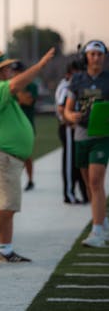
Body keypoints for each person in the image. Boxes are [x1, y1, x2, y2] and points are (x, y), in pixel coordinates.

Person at [0, 48, 55, 266]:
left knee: (4, 206)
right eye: (7, 67)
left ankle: (6, 250)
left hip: (1, 156)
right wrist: (39, 66)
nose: (11, 70)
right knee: (7, 204)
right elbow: (16, 85)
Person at [64, 40, 109, 248]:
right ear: (86, 57)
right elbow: (67, 109)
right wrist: (71, 115)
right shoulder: (77, 80)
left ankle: (97, 230)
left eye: (99, 55)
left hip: (102, 135)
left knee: (96, 180)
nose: (96, 58)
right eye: (92, 54)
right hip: (81, 135)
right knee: (89, 183)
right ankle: (102, 219)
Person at [55, 60, 87, 203]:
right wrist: (70, 121)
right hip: (68, 127)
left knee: (77, 162)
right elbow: (61, 108)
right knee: (69, 162)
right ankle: (69, 194)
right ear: (69, 74)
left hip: (77, 127)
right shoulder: (67, 86)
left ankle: (84, 193)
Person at [12, 61, 38, 191]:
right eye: (14, 71)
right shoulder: (11, 86)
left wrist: (19, 94)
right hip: (13, 125)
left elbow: (28, 101)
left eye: (18, 71)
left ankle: (30, 180)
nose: (16, 74)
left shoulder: (31, 85)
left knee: (26, 154)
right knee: (12, 155)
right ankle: (15, 181)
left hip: (27, 124)